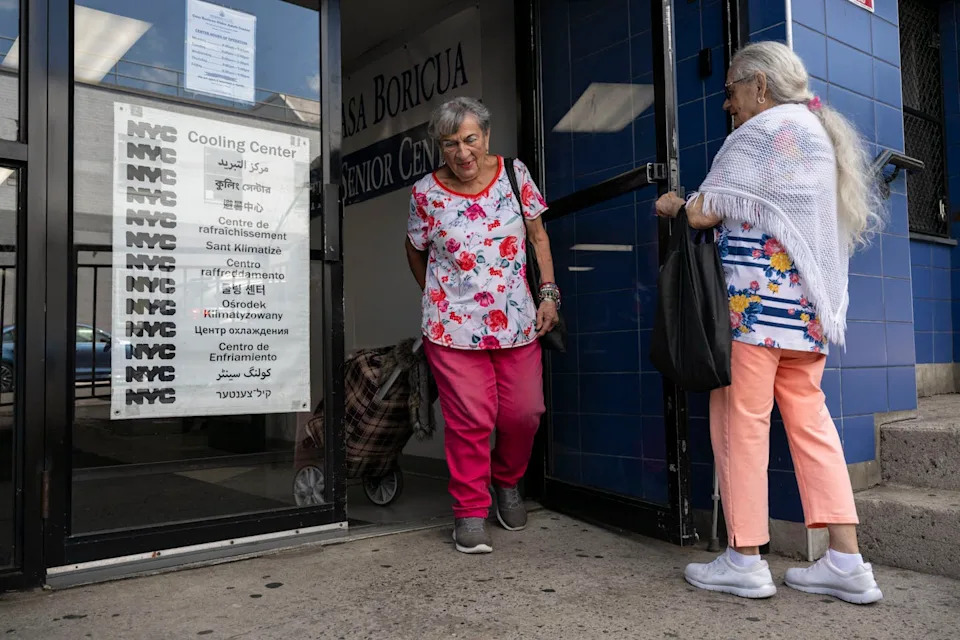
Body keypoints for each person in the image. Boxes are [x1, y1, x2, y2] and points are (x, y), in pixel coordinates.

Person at [656, 41, 884, 604]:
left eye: (730, 90)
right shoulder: (817, 135)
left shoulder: (760, 134)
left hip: (753, 316)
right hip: (806, 318)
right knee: (812, 427)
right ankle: (847, 560)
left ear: (759, 85)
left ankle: (745, 558)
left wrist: (674, 205)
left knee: (740, 427)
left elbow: (708, 210)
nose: (727, 103)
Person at [405, 96, 559, 554]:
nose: (462, 152)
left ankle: (506, 480)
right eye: (450, 143)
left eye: (470, 139)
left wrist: (548, 292)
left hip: (515, 318)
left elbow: (537, 236)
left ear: (486, 136)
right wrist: (435, 295)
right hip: (451, 327)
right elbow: (415, 248)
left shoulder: (515, 175)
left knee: (524, 412)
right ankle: (470, 511)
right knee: (470, 418)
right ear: (440, 146)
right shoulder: (425, 193)